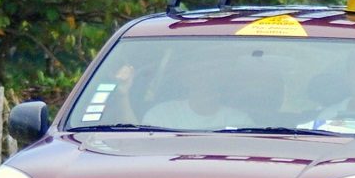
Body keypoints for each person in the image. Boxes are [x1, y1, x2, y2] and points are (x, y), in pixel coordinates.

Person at [105, 61, 252, 130]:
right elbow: (135, 141)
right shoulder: (162, 114)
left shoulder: (240, 121)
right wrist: (122, 95)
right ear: (187, 83)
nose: (205, 81)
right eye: (199, 76)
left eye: (211, 78)